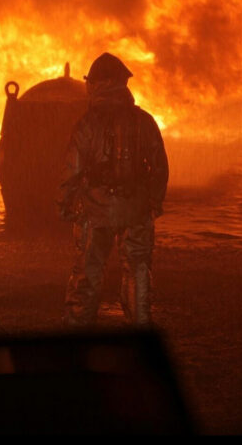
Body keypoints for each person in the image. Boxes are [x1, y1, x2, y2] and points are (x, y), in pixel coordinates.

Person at [59, 52, 169, 326]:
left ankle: (77, 331)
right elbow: (159, 166)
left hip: (95, 211)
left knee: (88, 270)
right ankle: (140, 329)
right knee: (138, 269)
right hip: (137, 209)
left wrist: (64, 204)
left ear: (95, 84)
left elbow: (72, 170)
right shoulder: (144, 121)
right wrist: (154, 202)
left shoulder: (87, 124)